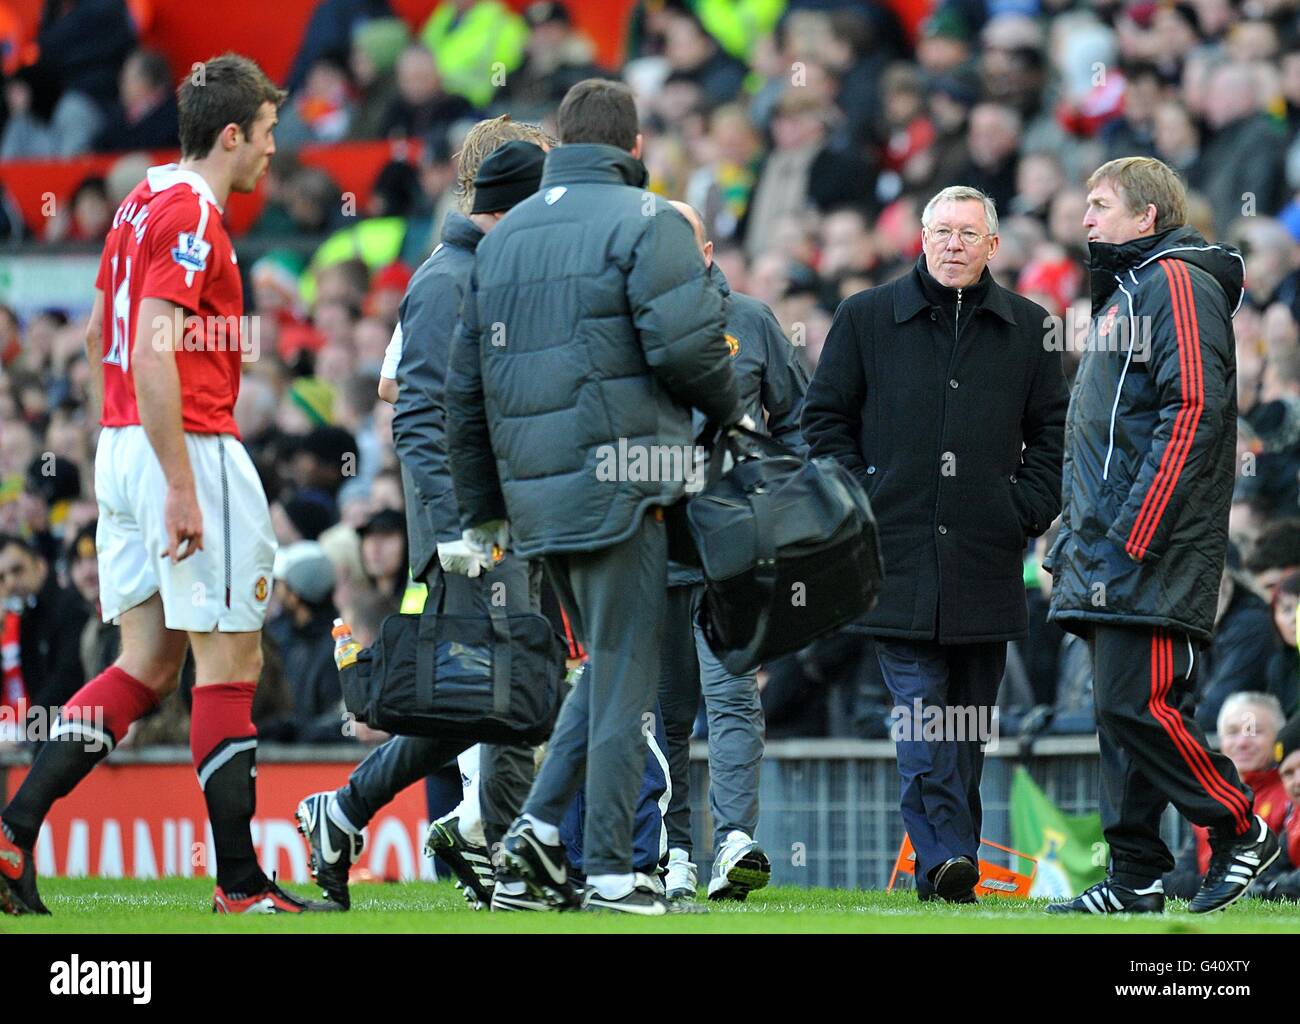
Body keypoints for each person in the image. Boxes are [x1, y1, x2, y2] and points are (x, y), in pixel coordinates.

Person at [0, 54, 340, 916]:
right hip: (183, 445)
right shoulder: (193, 212)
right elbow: (154, 345)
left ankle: (12, 830)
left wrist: (118, 437)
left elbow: (94, 336)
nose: (273, 151)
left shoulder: (141, 196)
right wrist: (181, 485)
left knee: (148, 663)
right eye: (266, 135)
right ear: (233, 135)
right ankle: (238, 884)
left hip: (125, 443)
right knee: (231, 659)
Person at [445, 78, 744, 915]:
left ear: (562, 143)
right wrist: (735, 412)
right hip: (623, 487)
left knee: (603, 670)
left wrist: (481, 509)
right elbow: (686, 349)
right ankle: (611, 868)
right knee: (622, 675)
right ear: (635, 147)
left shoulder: (501, 240)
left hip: (536, 500)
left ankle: (535, 839)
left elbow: (463, 392)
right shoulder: (646, 222)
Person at [293, 130, 551, 914]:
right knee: (511, 695)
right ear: (509, 211)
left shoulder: (482, 274)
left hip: (507, 523)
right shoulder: (450, 282)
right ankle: (500, 855)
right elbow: (417, 418)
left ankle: (346, 812)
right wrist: (452, 529)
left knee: (506, 697)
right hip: (472, 534)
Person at [802, 184, 1068, 903]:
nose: (953, 243)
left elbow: (1055, 437)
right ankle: (951, 855)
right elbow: (822, 422)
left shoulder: (1031, 329)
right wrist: (864, 496)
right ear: (921, 238)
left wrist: (1025, 508)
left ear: (992, 246)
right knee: (922, 714)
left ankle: (943, 872)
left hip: (987, 557)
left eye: (967, 232)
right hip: (896, 558)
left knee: (968, 729)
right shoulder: (865, 317)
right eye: (942, 230)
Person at [1045, 156, 1277, 915]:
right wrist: (1070, 539)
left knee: (1136, 704)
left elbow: (1194, 409)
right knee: (1121, 719)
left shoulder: (1175, 281)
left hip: (1152, 546)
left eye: (1101, 204)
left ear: (1147, 217)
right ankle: (1137, 875)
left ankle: (1240, 827)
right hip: (1108, 546)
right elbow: (1104, 444)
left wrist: (1133, 534)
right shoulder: (1130, 293)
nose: (1086, 219)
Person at [657, 200, 808, 903]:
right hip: (653, 552)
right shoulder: (628, 321)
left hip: (732, 554)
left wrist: (774, 498)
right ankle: (674, 851)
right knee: (663, 715)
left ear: (709, 252)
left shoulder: (750, 321)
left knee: (734, 701)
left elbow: (802, 419)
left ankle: (734, 843)